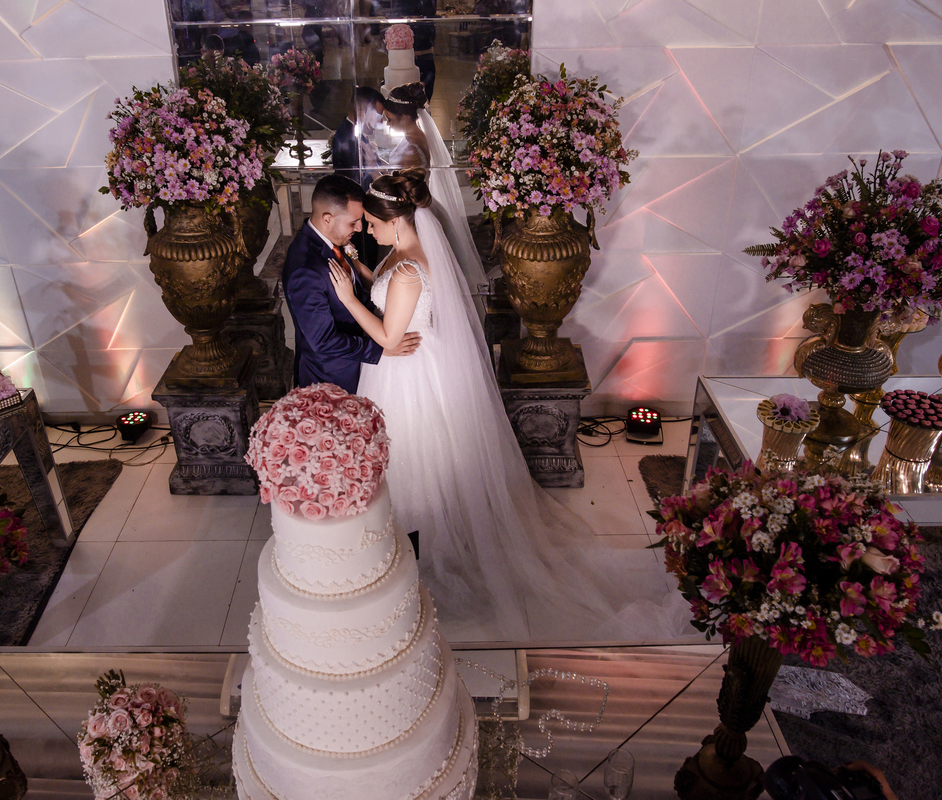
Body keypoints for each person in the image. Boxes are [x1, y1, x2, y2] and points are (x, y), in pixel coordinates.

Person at [327, 170, 692, 642]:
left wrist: (346, 298)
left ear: (394, 222)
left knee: (412, 461)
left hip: (405, 372)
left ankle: (410, 556)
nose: (367, 230)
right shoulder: (409, 254)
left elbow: (389, 337)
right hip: (422, 364)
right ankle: (404, 544)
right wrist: (360, 272)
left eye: (372, 224)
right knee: (420, 461)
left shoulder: (408, 269)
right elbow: (388, 286)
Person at [282, 175, 421, 394]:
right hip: (330, 380)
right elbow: (323, 341)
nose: (359, 228)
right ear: (327, 219)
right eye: (353, 222)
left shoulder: (332, 242)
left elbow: (357, 292)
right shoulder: (306, 269)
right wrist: (380, 349)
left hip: (360, 366)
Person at [382, 82, 488, 296]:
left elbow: (401, 185)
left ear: (404, 117)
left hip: (412, 208)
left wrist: (378, 175)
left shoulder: (411, 147)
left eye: (390, 119)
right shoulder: (418, 136)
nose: (387, 123)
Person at [331, 87, 386, 266]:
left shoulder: (355, 134)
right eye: (377, 116)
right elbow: (354, 184)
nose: (380, 122)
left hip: (364, 211)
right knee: (365, 259)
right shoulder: (348, 139)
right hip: (358, 214)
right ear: (363, 109)